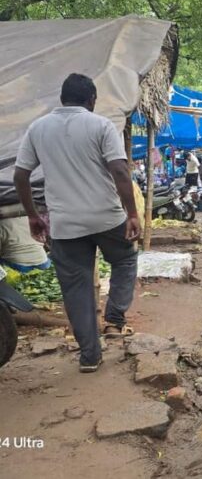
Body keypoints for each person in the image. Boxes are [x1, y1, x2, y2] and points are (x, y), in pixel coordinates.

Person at [13, 73, 141, 373]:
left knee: (76, 289)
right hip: (106, 217)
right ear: (92, 99)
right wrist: (133, 213)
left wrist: (33, 215)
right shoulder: (101, 125)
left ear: (62, 99)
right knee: (124, 259)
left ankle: (89, 357)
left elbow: (20, 175)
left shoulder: (38, 128)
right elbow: (120, 171)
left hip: (65, 224)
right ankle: (114, 318)